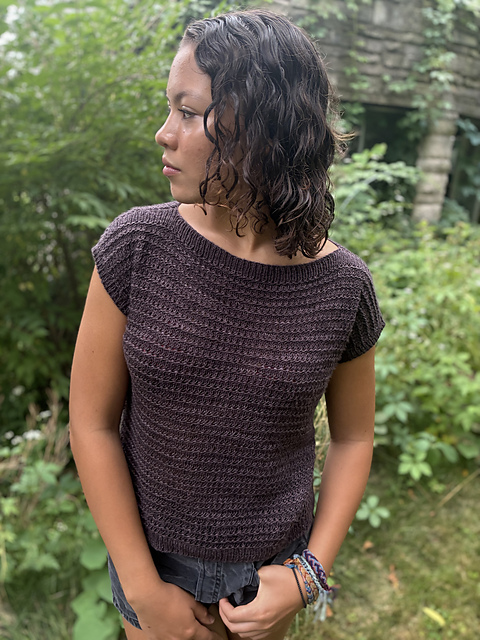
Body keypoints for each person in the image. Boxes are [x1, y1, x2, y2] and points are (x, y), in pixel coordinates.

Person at [69, 9, 385, 640]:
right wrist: (144, 590)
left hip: (268, 581)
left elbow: (354, 439)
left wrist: (308, 574)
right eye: (170, 108)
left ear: (263, 127)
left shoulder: (343, 286)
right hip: (153, 569)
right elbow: (91, 422)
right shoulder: (137, 247)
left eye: (188, 113)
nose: (163, 133)